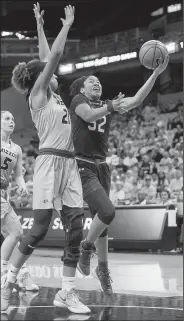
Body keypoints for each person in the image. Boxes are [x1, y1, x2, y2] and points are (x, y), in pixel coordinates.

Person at [1, 5, 90, 314]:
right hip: (49, 163)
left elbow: (44, 56)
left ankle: (67, 293)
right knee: (37, 230)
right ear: (41, 77)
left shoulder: (52, 92)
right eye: (47, 70)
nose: (54, 73)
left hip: (69, 163)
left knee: (75, 227)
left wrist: (40, 26)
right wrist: (66, 26)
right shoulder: (37, 95)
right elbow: (51, 58)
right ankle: (8, 282)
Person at [69, 54, 169, 294]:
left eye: (99, 82)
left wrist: (155, 74)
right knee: (108, 211)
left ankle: (102, 269)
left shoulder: (105, 104)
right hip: (82, 165)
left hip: (103, 167)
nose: (97, 83)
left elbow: (135, 100)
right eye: (91, 81)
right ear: (82, 88)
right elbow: (90, 115)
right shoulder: (78, 100)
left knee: (104, 222)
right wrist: (111, 105)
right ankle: (86, 248)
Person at [1, 111, 38, 291]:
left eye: (13, 119)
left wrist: (21, 185)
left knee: (14, 234)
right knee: (15, 233)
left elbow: (17, 174)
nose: (11, 121)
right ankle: (12, 274)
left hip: (4, 195)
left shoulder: (16, 149)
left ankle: (20, 274)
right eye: (7, 118)